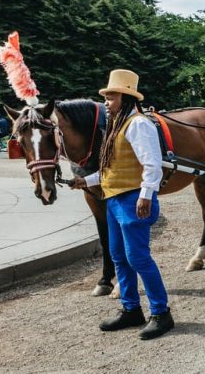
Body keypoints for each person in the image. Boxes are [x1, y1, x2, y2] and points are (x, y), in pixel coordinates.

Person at [71, 69, 174, 340]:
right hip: (115, 200)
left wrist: (145, 195)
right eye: (106, 96)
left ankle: (161, 313)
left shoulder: (139, 124)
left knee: (138, 257)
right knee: (118, 256)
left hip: (132, 200)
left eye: (111, 96)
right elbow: (112, 169)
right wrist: (86, 180)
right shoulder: (118, 124)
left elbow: (153, 165)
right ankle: (131, 310)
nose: (106, 101)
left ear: (126, 97)